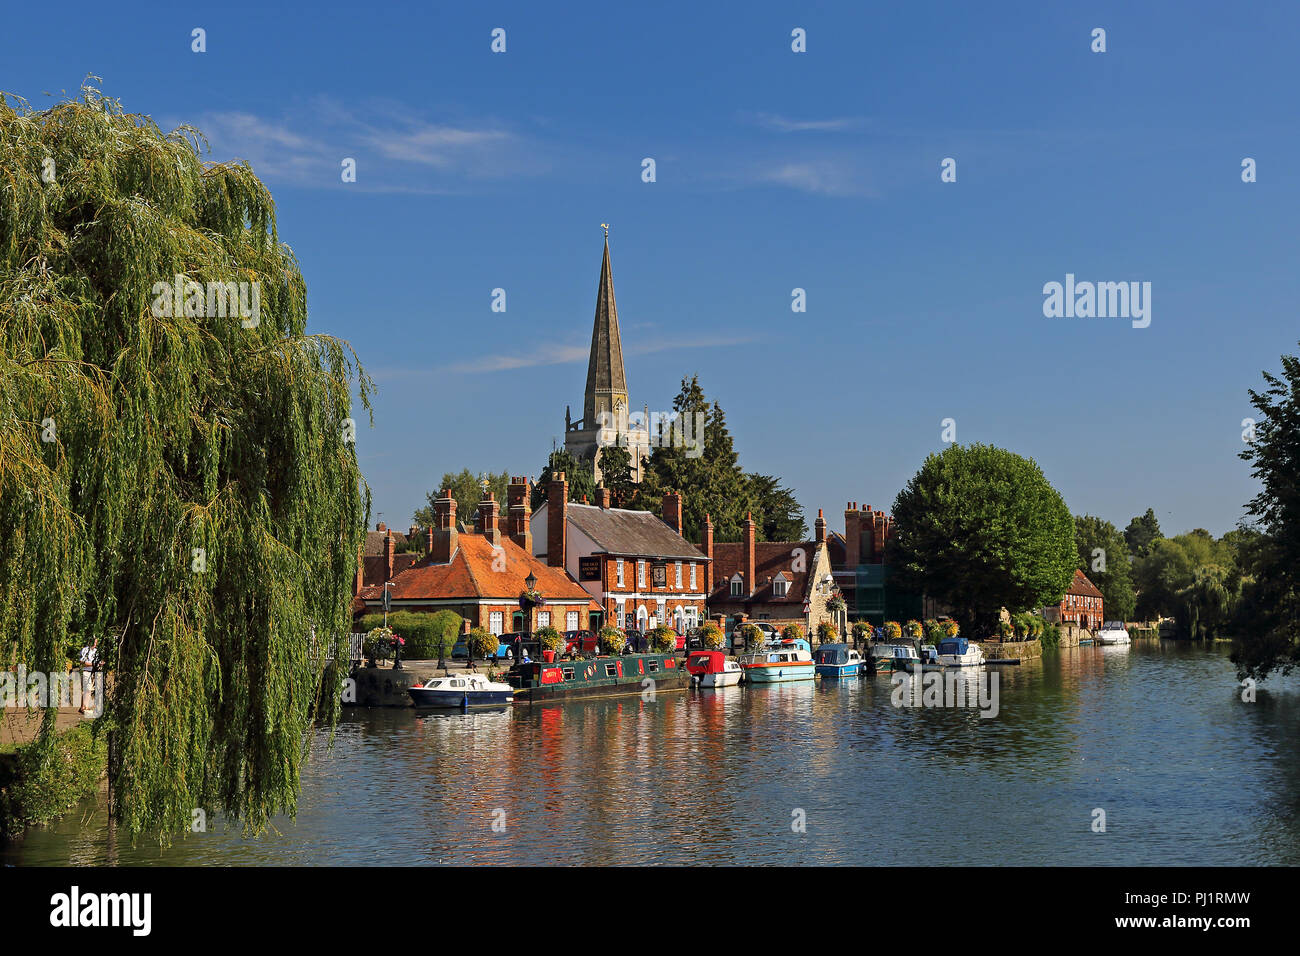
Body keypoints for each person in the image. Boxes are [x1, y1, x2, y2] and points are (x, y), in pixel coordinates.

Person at [77, 637, 98, 715]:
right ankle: (84, 707)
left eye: (96, 642)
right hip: (86, 671)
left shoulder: (96, 651)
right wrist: (94, 664)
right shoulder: (85, 650)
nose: (95, 644)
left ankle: (83, 706)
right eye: (94, 642)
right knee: (87, 689)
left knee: (89, 689)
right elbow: (82, 662)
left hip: (93, 671)